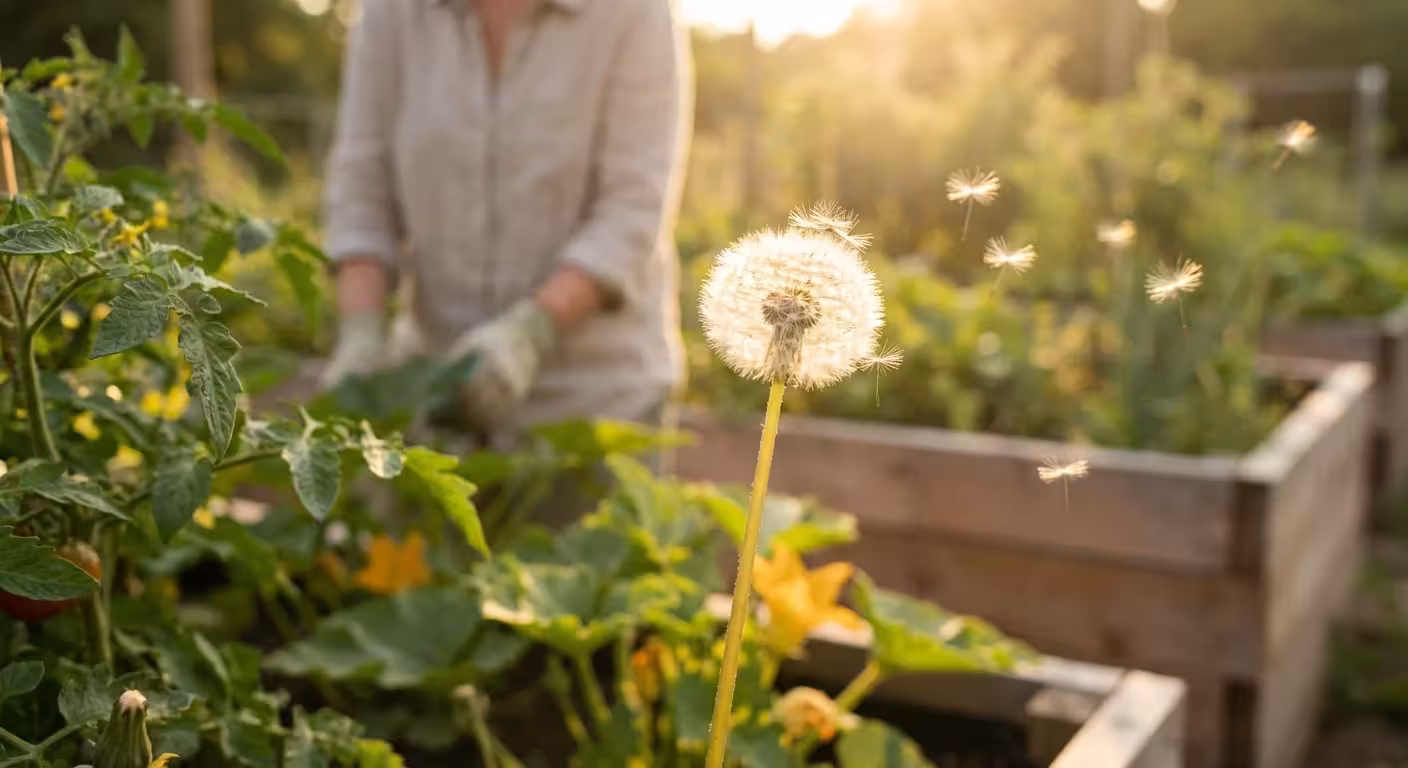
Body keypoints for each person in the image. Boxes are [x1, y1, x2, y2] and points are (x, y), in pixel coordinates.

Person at [319, 0, 691, 474]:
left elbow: (630, 214)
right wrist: (361, 333)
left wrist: (529, 334)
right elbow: (362, 187)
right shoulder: (392, 13)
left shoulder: (635, 14)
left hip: (595, 404)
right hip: (438, 397)